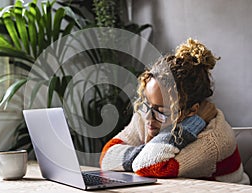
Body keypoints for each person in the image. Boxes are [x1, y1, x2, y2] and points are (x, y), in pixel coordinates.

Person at [99, 38, 250, 184]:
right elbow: (106, 157)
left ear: (192, 111)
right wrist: (144, 149)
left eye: (162, 111)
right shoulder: (148, 113)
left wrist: (193, 123)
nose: (149, 119)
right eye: (147, 104)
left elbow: (149, 165)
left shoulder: (213, 138)